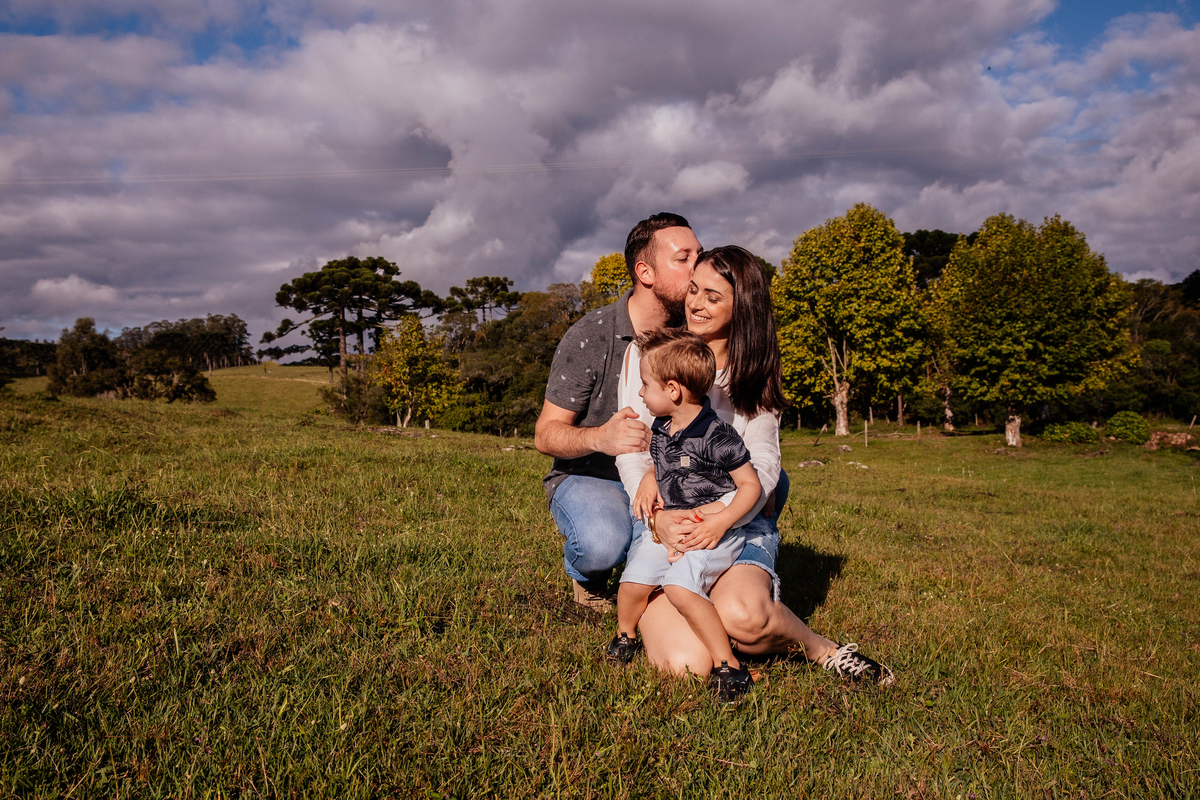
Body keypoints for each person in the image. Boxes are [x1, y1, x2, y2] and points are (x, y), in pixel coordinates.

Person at [616, 245, 896, 686]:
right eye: (693, 290)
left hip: (735, 520)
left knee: (742, 618)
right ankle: (677, 610)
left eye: (712, 296)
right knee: (685, 664)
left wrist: (714, 516)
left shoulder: (753, 373)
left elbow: (764, 468)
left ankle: (824, 651)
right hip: (665, 519)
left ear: (741, 307)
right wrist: (659, 519)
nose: (695, 303)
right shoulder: (652, 352)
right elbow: (633, 447)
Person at [534, 213, 701, 611]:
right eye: (684, 258)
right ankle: (588, 576)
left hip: (672, 472)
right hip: (593, 476)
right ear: (645, 271)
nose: (699, 267)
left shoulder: (696, 332)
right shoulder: (592, 335)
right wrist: (600, 438)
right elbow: (545, 434)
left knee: (771, 480)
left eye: (701, 255)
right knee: (603, 543)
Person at [607, 328, 762, 703]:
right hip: (669, 526)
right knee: (631, 585)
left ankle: (729, 666)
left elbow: (751, 486)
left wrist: (721, 521)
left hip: (708, 530)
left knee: (679, 587)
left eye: (646, 384)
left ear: (673, 390)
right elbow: (662, 465)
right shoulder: (662, 428)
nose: (640, 392)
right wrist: (648, 479)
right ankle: (625, 636)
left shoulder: (717, 436)